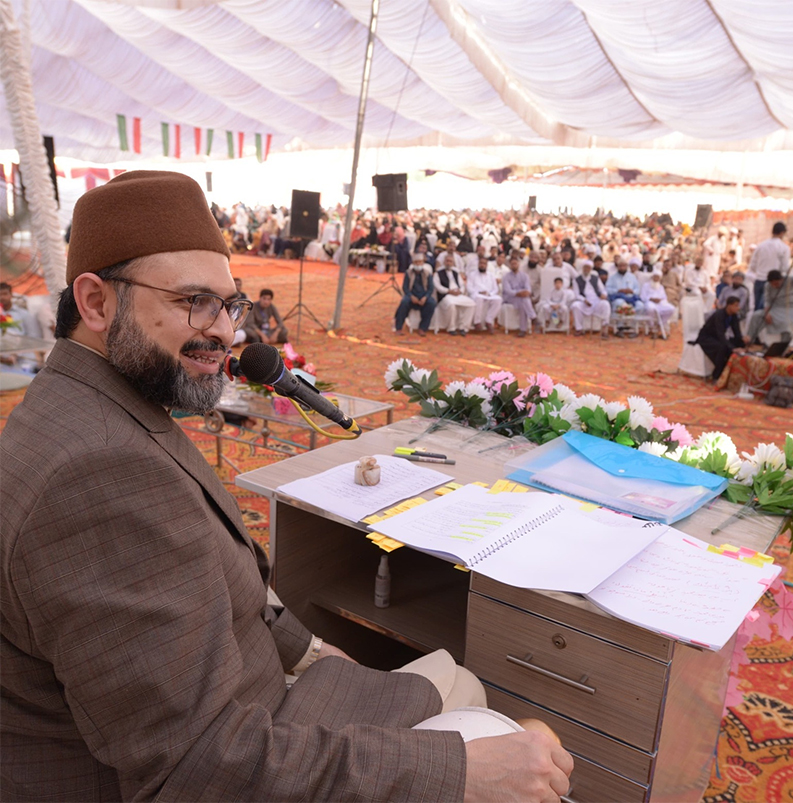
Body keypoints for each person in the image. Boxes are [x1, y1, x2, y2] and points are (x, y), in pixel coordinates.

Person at [0, 171, 572, 802]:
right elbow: (199, 770)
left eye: (229, 305)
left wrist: (311, 651)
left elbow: (219, 584)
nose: (224, 331)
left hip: (246, 697)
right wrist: (462, 774)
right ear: (96, 303)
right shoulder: (98, 475)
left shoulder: (90, 405)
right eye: (194, 300)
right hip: (234, 743)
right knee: (469, 706)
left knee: (454, 681)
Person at [697, 295, 749, 381]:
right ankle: (717, 375)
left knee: (739, 343)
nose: (738, 308)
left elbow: (737, 332)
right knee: (723, 347)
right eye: (736, 305)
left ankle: (735, 371)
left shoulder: (733, 316)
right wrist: (732, 348)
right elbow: (720, 333)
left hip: (717, 337)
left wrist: (743, 339)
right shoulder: (719, 314)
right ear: (729, 305)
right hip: (706, 338)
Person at [747, 269, 793, 346]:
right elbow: (767, 300)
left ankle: (783, 346)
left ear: (781, 279)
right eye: (773, 284)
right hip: (775, 308)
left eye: (777, 283)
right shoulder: (767, 286)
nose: (775, 286)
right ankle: (750, 339)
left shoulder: (789, 279)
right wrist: (766, 313)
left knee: (787, 323)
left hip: (791, 308)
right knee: (756, 315)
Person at [0, 281, 45, 372]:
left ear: (11, 295)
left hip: (23, 358)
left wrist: (16, 354)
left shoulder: (24, 314)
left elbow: (34, 338)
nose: (2, 297)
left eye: (5, 294)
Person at [747, 222, 791, 310]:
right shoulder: (783, 247)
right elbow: (784, 268)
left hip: (759, 280)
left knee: (758, 311)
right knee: (767, 312)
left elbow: (753, 265)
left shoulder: (761, 246)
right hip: (772, 283)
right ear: (782, 233)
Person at [394, 253, 436, 336]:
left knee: (432, 303)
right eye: (416, 262)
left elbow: (431, 288)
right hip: (411, 295)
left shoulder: (427, 274)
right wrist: (411, 296)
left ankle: (423, 328)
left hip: (423, 295)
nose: (418, 264)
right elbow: (405, 288)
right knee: (404, 302)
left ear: (423, 263)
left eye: (420, 262)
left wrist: (425, 297)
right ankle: (398, 328)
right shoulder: (408, 273)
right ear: (413, 263)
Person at [435, 253, 475, 336]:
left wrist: (460, 291)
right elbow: (437, 286)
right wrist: (448, 291)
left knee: (472, 304)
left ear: (453, 263)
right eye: (447, 261)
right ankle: (451, 327)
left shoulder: (456, 273)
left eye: (450, 261)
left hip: (457, 294)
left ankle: (463, 327)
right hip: (446, 295)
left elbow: (462, 285)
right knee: (451, 304)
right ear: (444, 262)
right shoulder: (438, 273)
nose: (448, 263)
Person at [570, 261, 611, 338]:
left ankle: (605, 329)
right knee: (575, 305)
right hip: (584, 302)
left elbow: (603, 289)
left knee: (606, 304)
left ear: (591, 269)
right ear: (582, 268)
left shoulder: (595, 278)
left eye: (588, 268)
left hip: (596, 301)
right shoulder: (576, 280)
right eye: (585, 267)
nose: (586, 269)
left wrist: (604, 294)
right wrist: (584, 300)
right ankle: (579, 329)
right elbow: (576, 294)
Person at [501, 255, 536, 337]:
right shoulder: (506, 277)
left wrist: (524, 293)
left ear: (518, 264)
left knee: (523, 302)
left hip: (521, 297)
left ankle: (523, 330)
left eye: (515, 264)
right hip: (510, 298)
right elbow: (508, 291)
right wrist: (518, 293)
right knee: (524, 300)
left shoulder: (524, 276)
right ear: (509, 265)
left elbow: (528, 289)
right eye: (512, 264)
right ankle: (533, 317)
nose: (514, 265)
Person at [466, 256, 503, 333]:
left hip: (489, 295)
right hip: (476, 294)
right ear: (478, 264)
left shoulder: (491, 275)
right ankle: (477, 322)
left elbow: (495, 289)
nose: (482, 265)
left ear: (487, 265)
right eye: (481, 263)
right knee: (479, 298)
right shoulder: (472, 274)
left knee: (498, 299)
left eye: (484, 263)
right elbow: (469, 287)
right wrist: (479, 292)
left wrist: (489, 293)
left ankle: (488, 320)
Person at [640, 271, 675, 337]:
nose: (656, 278)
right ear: (652, 277)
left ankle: (660, 324)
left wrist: (660, 300)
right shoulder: (646, 285)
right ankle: (652, 326)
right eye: (655, 276)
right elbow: (642, 297)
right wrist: (651, 299)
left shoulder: (661, 287)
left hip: (660, 303)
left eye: (658, 277)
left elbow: (664, 298)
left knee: (671, 308)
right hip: (649, 302)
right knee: (650, 308)